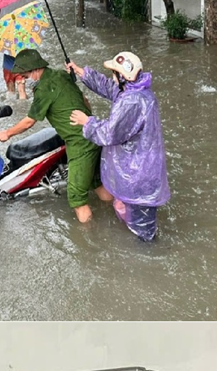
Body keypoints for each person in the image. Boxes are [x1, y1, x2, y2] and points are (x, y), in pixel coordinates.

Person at [66, 52, 170, 242]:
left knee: (143, 233)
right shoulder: (137, 91)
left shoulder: (131, 102)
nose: (113, 77)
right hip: (143, 170)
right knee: (136, 219)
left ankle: (147, 260)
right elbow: (111, 89)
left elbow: (110, 134)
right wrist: (83, 73)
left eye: (114, 73)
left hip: (139, 175)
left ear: (122, 76)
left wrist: (87, 122)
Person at [0, 49, 101, 223]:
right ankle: (118, 217)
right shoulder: (61, 74)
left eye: (26, 74)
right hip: (95, 131)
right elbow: (84, 99)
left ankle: (89, 241)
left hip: (79, 143)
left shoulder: (43, 89)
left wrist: (7, 133)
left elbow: (30, 121)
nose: (26, 78)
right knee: (97, 183)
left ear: (35, 69)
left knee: (76, 199)